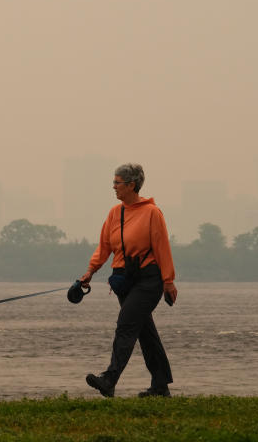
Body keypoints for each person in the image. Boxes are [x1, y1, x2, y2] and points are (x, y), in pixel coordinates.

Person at [78, 163, 177, 398]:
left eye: (117, 183)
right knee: (145, 332)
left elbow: (162, 247)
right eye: (113, 182)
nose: (113, 187)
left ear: (131, 185)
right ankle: (160, 386)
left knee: (126, 324)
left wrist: (168, 281)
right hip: (124, 281)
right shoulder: (115, 212)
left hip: (149, 279)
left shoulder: (152, 213)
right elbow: (104, 246)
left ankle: (110, 379)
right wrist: (90, 271)